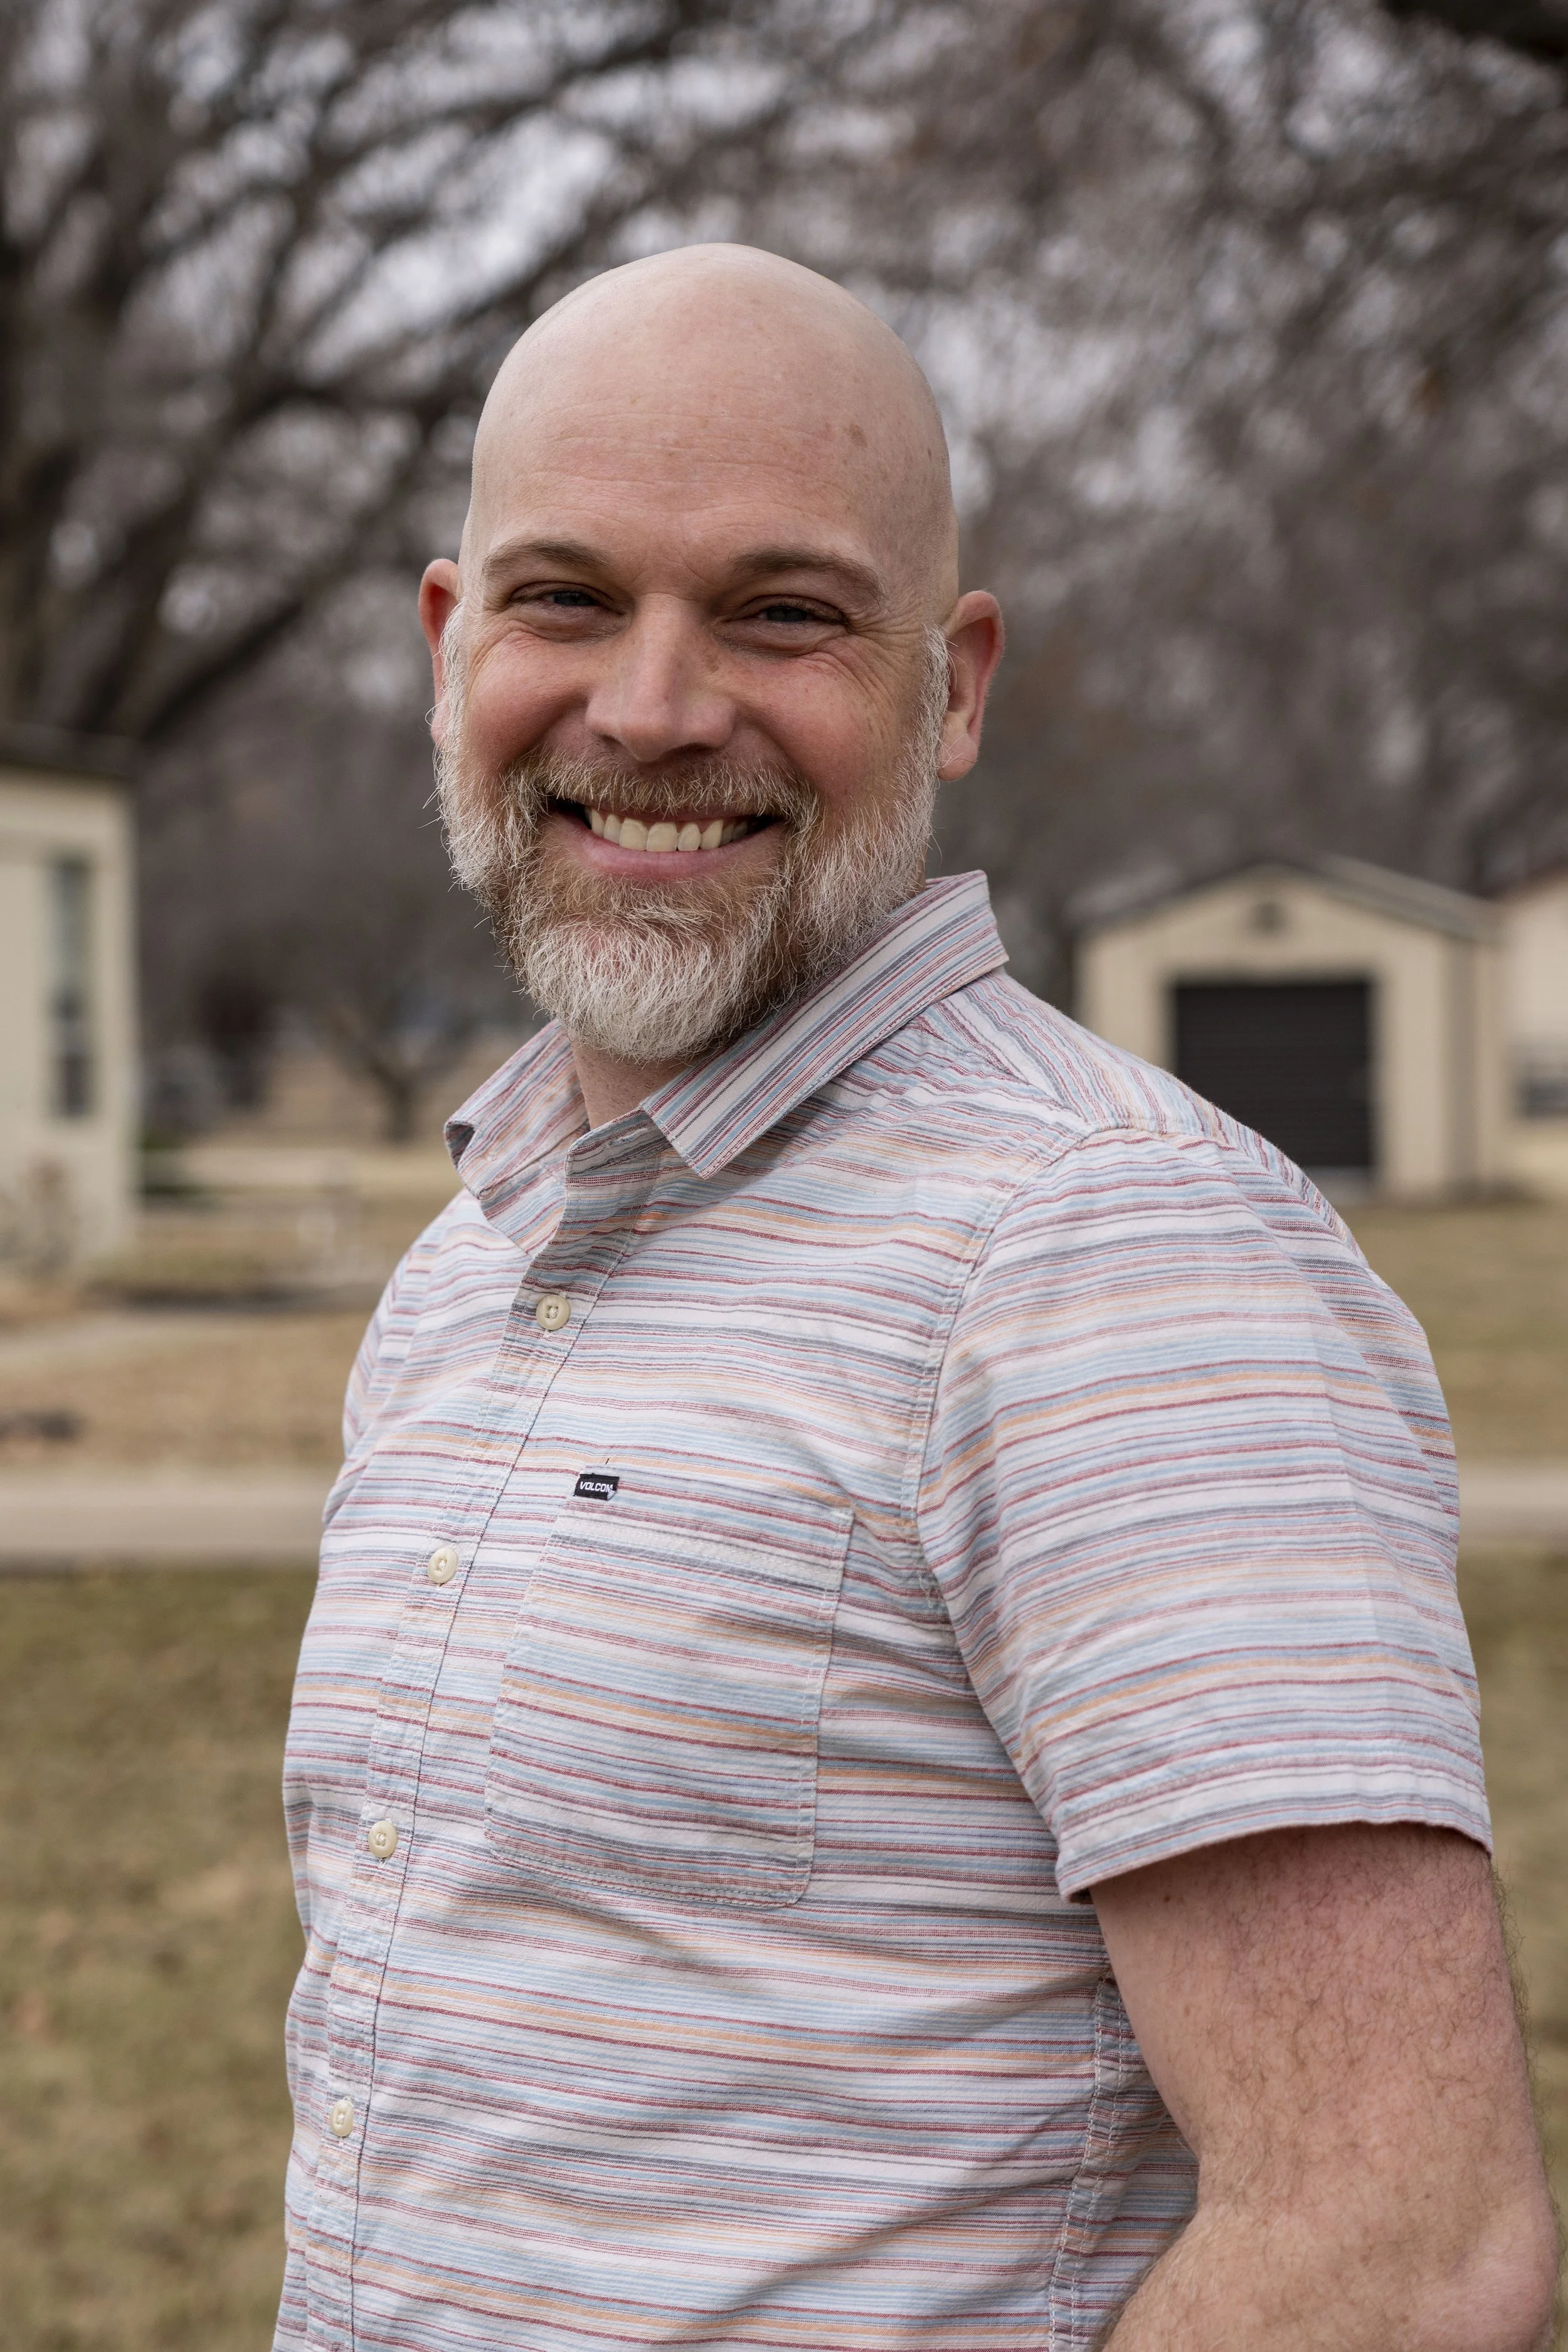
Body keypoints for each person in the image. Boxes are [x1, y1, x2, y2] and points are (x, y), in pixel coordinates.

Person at [277, 245, 1555, 2352]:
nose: (655, 706)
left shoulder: (1108, 1255)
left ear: (951, 683)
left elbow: (1399, 2252)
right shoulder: (467, 1267)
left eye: (782, 612)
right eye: (567, 597)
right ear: (451, 644)